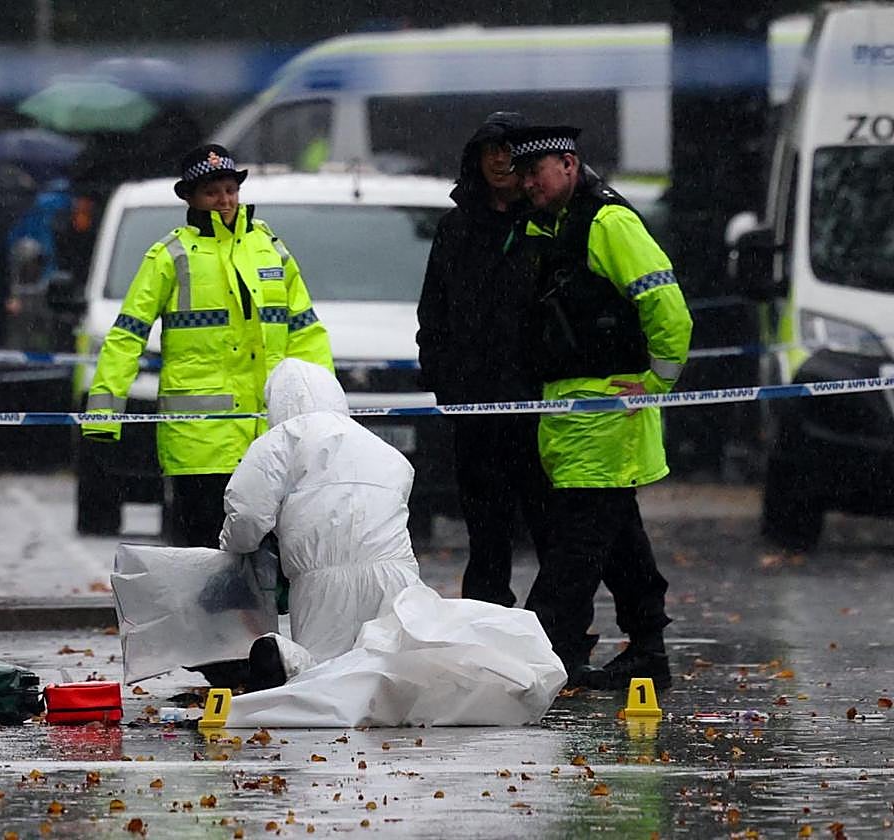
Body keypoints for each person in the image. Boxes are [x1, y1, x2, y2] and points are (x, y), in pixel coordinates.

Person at [510, 125, 693, 690]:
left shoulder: (609, 223)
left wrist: (655, 384)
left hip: (607, 422)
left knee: (576, 550)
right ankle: (649, 649)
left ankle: (545, 655)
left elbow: (670, 310)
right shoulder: (554, 225)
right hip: (571, 423)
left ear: (568, 164)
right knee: (618, 543)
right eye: (520, 174)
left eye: (535, 172)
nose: (527, 184)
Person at [81, 145, 334, 547]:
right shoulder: (170, 256)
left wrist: (325, 410)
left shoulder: (270, 248)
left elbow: (305, 330)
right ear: (190, 198)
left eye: (231, 190)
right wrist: (104, 414)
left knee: (275, 553)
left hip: (267, 433)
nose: (225, 201)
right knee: (206, 556)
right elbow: (128, 333)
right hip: (199, 442)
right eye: (212, 192)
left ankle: (258, 611)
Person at [415, 111, 550, 607]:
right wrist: (449, 387)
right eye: (490, 150)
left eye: (510, 149)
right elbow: (434, 314)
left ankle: (554, 636)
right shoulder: (457, 227)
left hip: (539, 403)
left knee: (550, 529)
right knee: (486, 531)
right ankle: (485, 623)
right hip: (475, 406)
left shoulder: (546, 223)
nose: (500, 159)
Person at [219, 358, 422, 666]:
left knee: (324, 673)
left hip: (323, 582)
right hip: (395, 575)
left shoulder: (277, 443)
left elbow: (246, 517)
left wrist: (230, 550)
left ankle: (284, 665)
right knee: (395, 668)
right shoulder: (381, 447)